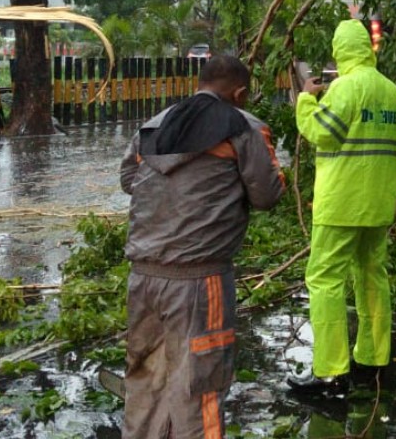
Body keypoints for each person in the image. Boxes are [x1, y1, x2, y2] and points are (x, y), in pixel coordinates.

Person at [119, 54, 285, 437]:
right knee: (200, 390)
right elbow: (266, 195)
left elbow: (130, 179)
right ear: (239, 93)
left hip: (142, 276)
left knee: (145, 385)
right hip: (200, 282)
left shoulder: (153, 125)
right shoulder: (244, 127)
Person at [287, 18, 396, 398]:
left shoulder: (344, 88)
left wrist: (305, 99)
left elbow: (321, 132)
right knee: (372, 278)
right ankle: (373, 363)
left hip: (340, 205)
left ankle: (330, 375)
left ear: (340, 50)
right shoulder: (391, 92)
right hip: (379, 204)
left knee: (326, 282)